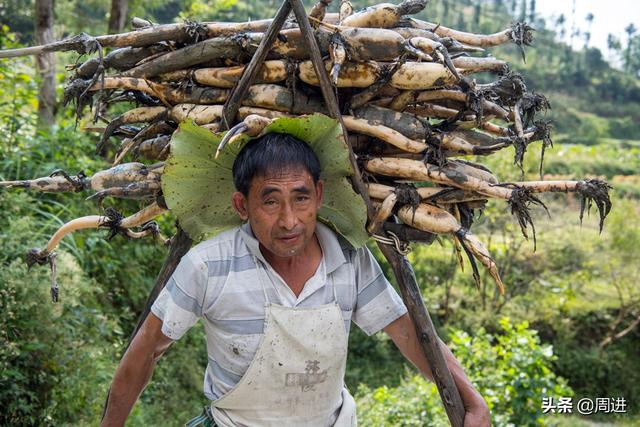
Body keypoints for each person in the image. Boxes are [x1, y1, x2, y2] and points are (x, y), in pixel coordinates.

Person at [101, 131, 490, 427]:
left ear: (319, 195)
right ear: (242, 205)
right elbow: (147, 350)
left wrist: (471, 400)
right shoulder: (207, 265)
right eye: (270, 201)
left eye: (300, 199)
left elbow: (411, 334)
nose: (289, 220)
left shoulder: (351, 260)